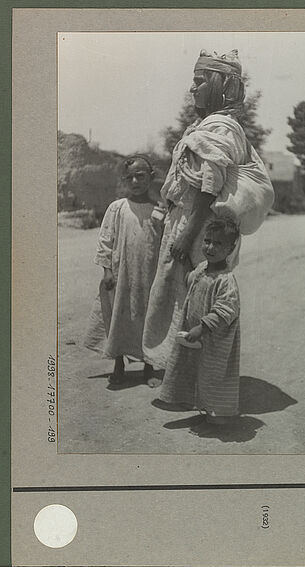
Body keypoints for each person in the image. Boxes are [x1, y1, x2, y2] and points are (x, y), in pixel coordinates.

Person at [143, 49, 255, 373]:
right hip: (186, 220)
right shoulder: (202, 125)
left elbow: (210, 185)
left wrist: (188, 232)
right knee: (178, 294)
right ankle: (177, 372)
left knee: (198, 295)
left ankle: (199, 377)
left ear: (220, 86)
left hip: (200, 227)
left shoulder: (221, 128)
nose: (192, 89)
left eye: (198, 82)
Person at [84, 154, 165, 385]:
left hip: (148, 275)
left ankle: (149, 367)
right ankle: (118, 363)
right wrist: (107, 270)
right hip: (121, 274)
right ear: (123, 180)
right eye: (129, 177)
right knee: (118, 316)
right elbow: (105, 240)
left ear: (150, 178)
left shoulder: (158, 210)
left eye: (140, 176)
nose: (135, 182)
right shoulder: (117, 208)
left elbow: (162, 242)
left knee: (147, 317)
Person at [160, 218, 241, 432]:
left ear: (231, 248)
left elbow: (225, 311)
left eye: (218, 244)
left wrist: (202, 328)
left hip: (215, 341)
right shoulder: (203, 269)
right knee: (199, 374)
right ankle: (206, 414)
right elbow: (189, 279)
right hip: (199, 339)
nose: (210, 247)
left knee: (214, 377)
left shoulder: (226, 280)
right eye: (207, 241)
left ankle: (218, 422)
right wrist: (184, 259)